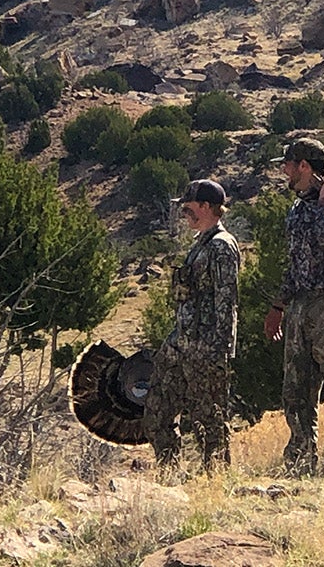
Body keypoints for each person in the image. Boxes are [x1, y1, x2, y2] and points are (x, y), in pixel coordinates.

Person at [263, 137, 324, 476]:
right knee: (296, 389)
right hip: (300, 307)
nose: (284, 171)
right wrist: (278, 305)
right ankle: (300, 462)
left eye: (289, 164)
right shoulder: (296, 208)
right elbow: (295, 263)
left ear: (304, 166)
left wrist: (323, 203)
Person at [142, 178, 240, 474]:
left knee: (209, 422)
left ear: (207, 207)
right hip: (181, 344)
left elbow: (227, 300)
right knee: (156, 413)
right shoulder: (202, 244)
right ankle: (169, 474)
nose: (184, 214)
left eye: (189, 208)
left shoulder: (222, 246)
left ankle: (216, 482)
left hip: (205, 349)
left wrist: (217, 351)